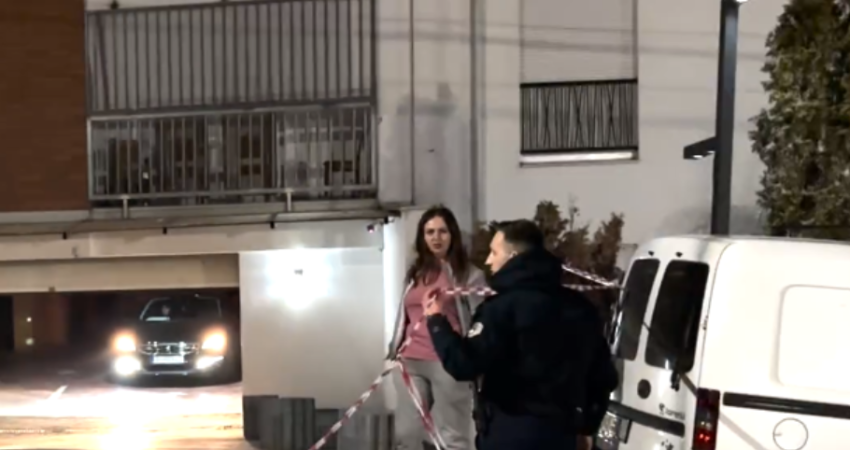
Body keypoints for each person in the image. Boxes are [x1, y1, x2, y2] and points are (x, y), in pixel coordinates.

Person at [423, 219, 618, 450]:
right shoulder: (581, 308)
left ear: (513, 256)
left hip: (509, 431)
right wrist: (587, 427)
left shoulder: (500, 309)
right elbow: (603, 377)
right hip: (561, 435)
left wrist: (437, 321)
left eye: (494, 252)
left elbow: (464, 364)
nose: (488, 261)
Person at [388, 206, 486, 450]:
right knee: (407, 434)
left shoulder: (469, 274)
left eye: (442, 231)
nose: (436, 237)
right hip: (411, 360)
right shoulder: (415, 273)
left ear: (453, 235)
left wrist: (474, 357)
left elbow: (481, 318)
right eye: (429, 232)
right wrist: (396, 349)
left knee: (451, 436)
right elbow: (405, 314)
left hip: (448, 362)